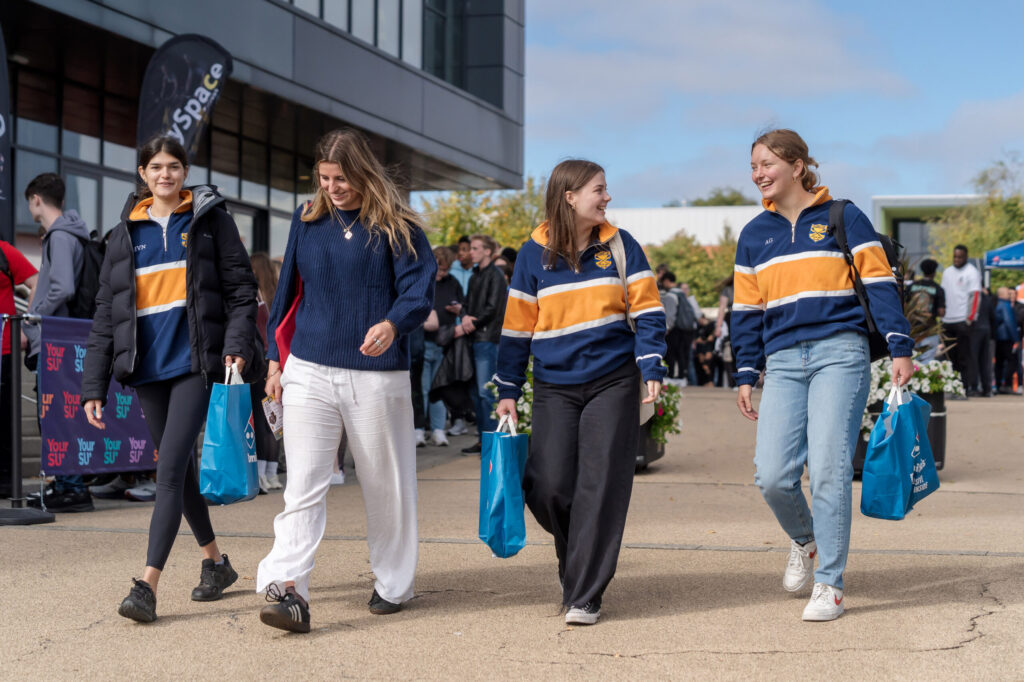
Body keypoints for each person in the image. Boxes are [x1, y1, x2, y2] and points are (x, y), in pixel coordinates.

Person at [256, 128, 435, 633]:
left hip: (377, 374)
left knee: (386, 485)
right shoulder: (308, 220)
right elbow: (286, 289)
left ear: (364, 172)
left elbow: (419, 290)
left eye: (342, 178)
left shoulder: (397, 226)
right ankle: (288, 586)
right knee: (305, 484)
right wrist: (274, 361)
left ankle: (394, 583)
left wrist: (391, 323)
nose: (333, 187)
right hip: (309, 366)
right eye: (325, 177)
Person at [733, 129, 912, 622]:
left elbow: (878, 284)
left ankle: (830, 583)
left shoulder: (844, 215)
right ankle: (806, 540)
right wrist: (745, 371)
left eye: (766, 163)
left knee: (830, 469)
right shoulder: (753, 235)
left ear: (796, 165)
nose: (758, 174)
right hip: (784, 361)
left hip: (841, 353)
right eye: (753, 166)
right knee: (771, 475)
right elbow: (746, 312)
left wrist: (900, 346)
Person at [81, 135, 259, 623]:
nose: (166, 174)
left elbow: (242, 291)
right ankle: (216, 564)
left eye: (174, 166)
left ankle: (147, 585)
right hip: (147, 370)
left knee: (167, 472)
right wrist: (93, 384)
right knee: (178, 475)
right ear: (142, 173)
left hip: (196, 365)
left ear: (185, 171)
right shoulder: (123, 234)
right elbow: (105, 314)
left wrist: (236, 348)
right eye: (156, 166)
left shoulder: (208, 221)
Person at [494, 159, 666, 626]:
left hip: (613, 380)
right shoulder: (533, 253)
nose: (607, 198)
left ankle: (585, 592)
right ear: (569, 196)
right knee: (549, 485)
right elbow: (516, 325)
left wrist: (651, 363)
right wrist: (507, 385)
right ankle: (575, 564)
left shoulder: (621, 244)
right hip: (554, 384)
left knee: (601, 485)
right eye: (599, 189)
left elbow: (648, 309)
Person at [21, 173, 95, 512]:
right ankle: (68, 484)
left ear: (36, 198)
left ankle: (70, 487)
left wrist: (35, 316)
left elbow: (62, 287)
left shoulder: (60, 237)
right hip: (62, 341)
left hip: (57, 342)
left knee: (55, 417)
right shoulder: (67, 234)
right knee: (57, 416)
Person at [459, 233, 506, 454]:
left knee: (486, 392)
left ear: (487, 251)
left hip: (487, 339)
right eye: (471, 248)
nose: (471, 252)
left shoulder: (495, 275)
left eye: (476, 248)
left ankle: (491, 442)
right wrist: (465, 316)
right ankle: (483, 440)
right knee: (476, 393)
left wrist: (472, 322)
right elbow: (467, 303)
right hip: (475, 337)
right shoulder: (474, 275)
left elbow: (493, 308)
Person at [0, 240, 37, 500]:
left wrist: (25, 325)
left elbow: (36, 281)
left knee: (5, 419)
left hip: (4, 349)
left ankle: (6, 481)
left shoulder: (3, 250)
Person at [422, 246, 463, 446]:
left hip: (444, 342)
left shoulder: (452, 283)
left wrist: (458, 310)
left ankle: (438, 429)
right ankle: (419, 429)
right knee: (421, 388)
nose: (441, 274)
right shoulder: (423, 280)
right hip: (422, 341)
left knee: (438, 389)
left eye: (445, 270)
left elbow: (463, 305)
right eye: (439, 269)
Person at [251, 252, 282, 492]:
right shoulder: (276, 295)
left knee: (260, 420)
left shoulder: (255, 295)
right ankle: (271, 474)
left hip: (259, 361)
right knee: (273, 418)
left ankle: (260, 475)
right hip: (277, 362)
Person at [940, 245, 981, 390]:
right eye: (955, 256)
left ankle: (964, 387)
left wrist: (969, 319)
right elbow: (942, 295)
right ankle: (952, 386)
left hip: (962, 321)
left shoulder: (972, 272)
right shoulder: (947, 272)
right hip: (947, 321)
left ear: (966, 257)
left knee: (964, 357)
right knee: (950, 358)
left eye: (960, 257)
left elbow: (975, 296)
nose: (956, 259)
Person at [905, 258, 946, 364]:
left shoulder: (911, 286)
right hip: (929, 330)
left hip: (912, 329)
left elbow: (904, 305)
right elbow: (941, 312)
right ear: (934, 272)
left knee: (911, 361)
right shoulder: (938, 289)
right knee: (926, 363)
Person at [966, 287, 997, 397]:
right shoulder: (987, 299)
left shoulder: (970, 297)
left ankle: (974, 387)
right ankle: (987, 388)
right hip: (986, 330)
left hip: (974, 330)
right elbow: (993, 317)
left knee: (973, 359)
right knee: (985, 360)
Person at [994, 287, 1018, 394]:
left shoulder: (996, 304)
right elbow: (1009, 322)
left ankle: (998, 384)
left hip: (998, 337)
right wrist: (1015, 338)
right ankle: (1007, 384)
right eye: (1008, 293)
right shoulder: (1005, 305)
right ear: (1003, 294)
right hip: (1006, 337)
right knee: (1013, 361)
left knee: (999, 362)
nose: (1010, 295)